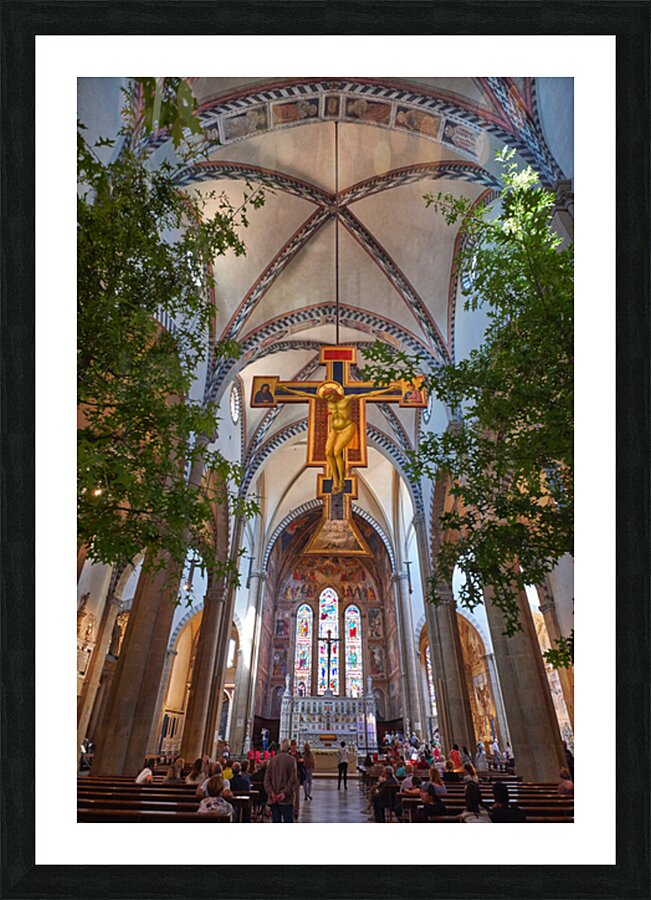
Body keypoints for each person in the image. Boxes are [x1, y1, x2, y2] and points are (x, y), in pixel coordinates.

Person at [282, 380, 401, 493]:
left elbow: (369, 393)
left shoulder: (347, 399)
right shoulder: (328, 401)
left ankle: (341, 480)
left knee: (337, 451)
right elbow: (304, 394)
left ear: (334, 393)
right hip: (334, 430)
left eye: (329, 397)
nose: (328, 400)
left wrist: (388, 389)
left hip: (347, 428)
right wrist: (288, 390)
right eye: (326, 398)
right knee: (328, 452)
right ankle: (336, 479)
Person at [264, 737, 298, 823]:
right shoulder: (291, 760)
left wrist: (271, 793)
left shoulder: (272, 760)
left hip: (274, 798)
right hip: (286, 799)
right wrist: (284, 793)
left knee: (276, 821)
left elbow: (267, 779)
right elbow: (293, 779)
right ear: (289, 748)